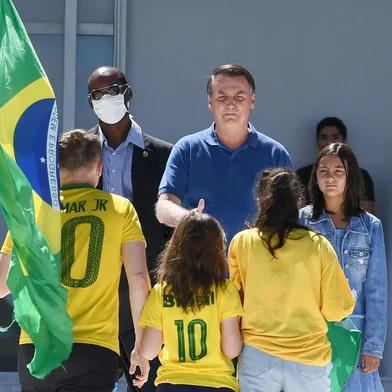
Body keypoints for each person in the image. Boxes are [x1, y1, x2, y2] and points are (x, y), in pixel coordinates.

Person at [0, 130, 151, 391]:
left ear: (55, 168)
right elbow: (138, 279)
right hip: (93, 347)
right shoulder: (121, 209)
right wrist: (141, 346)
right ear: (99, 168)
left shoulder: (32, 211)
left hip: (37, 349)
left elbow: (2, 284)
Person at [229, 168, 355, 392]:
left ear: (260, 202)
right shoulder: (318, 245)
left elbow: (234, 303)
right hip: (309, 360)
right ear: (298, 204)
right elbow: (338, 310)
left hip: (257, 357)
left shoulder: (242, 243)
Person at [87, 66, 172, 391]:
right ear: (90, 102)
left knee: (148, 382)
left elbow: (169, 227)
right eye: (98, 94)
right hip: (95, 291)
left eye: (113, 90)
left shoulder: (163, 154)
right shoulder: (79, 153)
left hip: (146, 285)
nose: (107, 98)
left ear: (128, 93)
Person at [156, 64, 293, 244]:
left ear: (252, 101)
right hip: (198, 265)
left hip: (258, 264)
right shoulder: (186, 149)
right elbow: (163, 207)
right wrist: (191, 219)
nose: (230, 104)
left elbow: (292, 214)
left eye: (239, 97)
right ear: (210, 102)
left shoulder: (276, 154)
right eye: (222, 97)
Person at [299, 143, 388, 392]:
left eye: (339, 171)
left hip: (355, 335)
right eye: (323, 171)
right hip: (312, 333)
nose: (330, 177)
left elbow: (376, 291)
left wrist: (373, 347)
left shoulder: (370, 226)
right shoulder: (301, 221)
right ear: (314, 177)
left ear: (350, 177)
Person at [139, 212, 243, 392]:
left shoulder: (161, 292)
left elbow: (148, 351)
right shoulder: (226, 290)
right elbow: (232, 350)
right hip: (217, 385)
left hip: (171, 384)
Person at [296, 117, 376, 213]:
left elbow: (367, 216)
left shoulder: (361, 175)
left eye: (335, 137)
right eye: (324, 137)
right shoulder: (302, 175)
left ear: (344, 140)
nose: (330, 142)